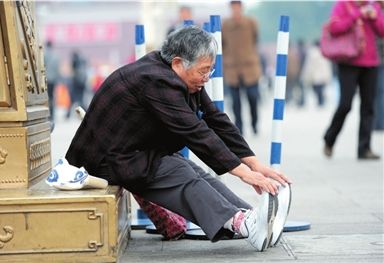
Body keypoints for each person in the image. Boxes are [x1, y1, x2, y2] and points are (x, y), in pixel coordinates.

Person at [65, 26, 291, 251]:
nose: (206, 77)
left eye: (210, 71)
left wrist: (254, 164)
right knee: (178, 172)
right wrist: (246, 175)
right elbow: (195, 132)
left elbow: (215, 119)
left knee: (190, 169)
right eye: (204, 71)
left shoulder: (181, 75)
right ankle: (244, 225)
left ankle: (251, 217)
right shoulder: (155, 80)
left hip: (131, 153)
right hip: (102, 163)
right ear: (177, 62)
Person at [323, 0, 384, 160]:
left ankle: (364, 148)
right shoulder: (343, 5)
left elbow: (382, 30)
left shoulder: (374, 6)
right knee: (345, 104)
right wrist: (358, 14)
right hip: (348, 61)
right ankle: (330, 138)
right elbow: (335, 28)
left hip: (371, 62)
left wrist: (374, 16)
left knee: (368, 106)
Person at [222, 0, 261, 135]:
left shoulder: (251, 22)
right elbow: (222, 44)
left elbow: (256, 39)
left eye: (237, 8)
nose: (235, 11)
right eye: (233, 8)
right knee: (235, 101)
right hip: (232, 68)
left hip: (250, 67)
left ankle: (254, 122)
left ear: (241, 8)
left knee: (253, 97)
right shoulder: (225, 25)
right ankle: (239, 127)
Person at [301, 40, 333, 107]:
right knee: (320, 90)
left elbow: (309, 66)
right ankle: (321, 102)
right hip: (322, 75)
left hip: (315, 76)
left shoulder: (312, 54)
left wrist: (306, 75)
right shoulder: (325, 52)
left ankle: (320, 102)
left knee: (317, 90)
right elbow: (328, 67)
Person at [66, 50, 88, 119]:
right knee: (80, 99)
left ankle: (68, 114)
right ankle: (86, 112)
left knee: (73, 98)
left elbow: (73, 71)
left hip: (76, 82)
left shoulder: (75, 61)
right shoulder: (83, 60)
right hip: (83, 82)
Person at [44, 40, 60, 123]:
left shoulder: (44, 54)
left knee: (46, 97)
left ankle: (47, 114)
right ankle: (52, 115)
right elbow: (57, 70)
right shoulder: (56, 56)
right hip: (53, 80)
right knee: (52, 97)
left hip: (46, 79)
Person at [374, 1, 384, 130]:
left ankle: (378, 122)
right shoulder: (373, 12)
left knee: (379, 92)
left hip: (378, 61)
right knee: (378, 93)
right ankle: (378, 122)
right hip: (375, 61)